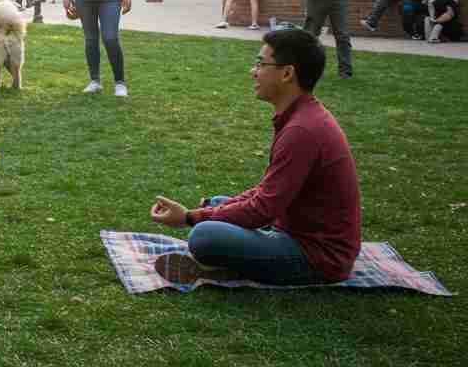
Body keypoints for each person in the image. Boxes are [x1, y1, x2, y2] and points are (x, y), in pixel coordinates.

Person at [149, 28, 362, 286]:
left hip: (318, 256)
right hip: (293, 229)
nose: (254, 71)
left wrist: (189, 218)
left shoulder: (302, 130)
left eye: (261, 64)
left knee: (204, 236)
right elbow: (267, 194)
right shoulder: (303, 117)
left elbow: (262, 210)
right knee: (218, 203)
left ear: (287, 73)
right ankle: (228, 259)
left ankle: (219, 268)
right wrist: (209, 210)